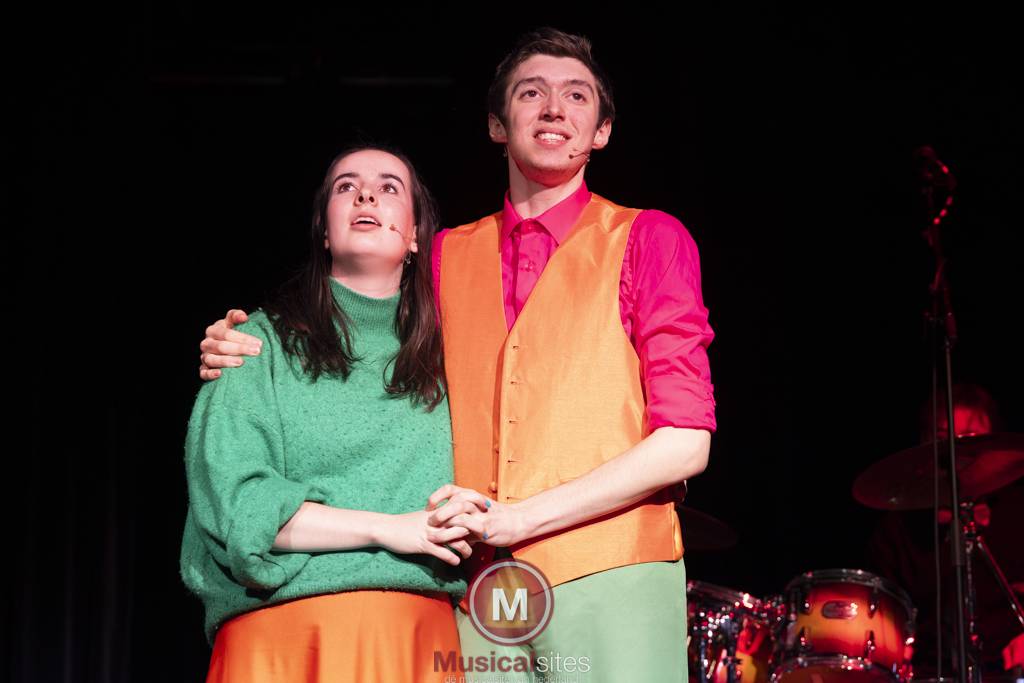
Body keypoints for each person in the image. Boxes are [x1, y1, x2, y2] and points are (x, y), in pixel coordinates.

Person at [200, 29, 716, 682]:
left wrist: (522, 517)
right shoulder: (444, 255)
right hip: (480, 595)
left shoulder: (648, 238)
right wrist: (243, 340)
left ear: (602, 131)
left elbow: (685, 441)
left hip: (611, 570)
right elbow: (358, 333)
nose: (553, 109)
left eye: (576, 96)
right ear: (497, 124)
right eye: (531, 93)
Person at [181, 145, 481, 683]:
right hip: (282, 639)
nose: (366, 195)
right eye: (346, 186)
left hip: (416, 638)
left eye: (389, 187)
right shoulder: (254, 345)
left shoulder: (457, 357)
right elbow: (238, 508)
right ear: (323, 229)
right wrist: (390, 529)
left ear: (416, 234)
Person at [866, 384, 1024, 679]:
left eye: (972, 439)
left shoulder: (1017, 512)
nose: (957, 453)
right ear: (925, 445)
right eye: (943, 438)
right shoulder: (897, 531)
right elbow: (882, 625)